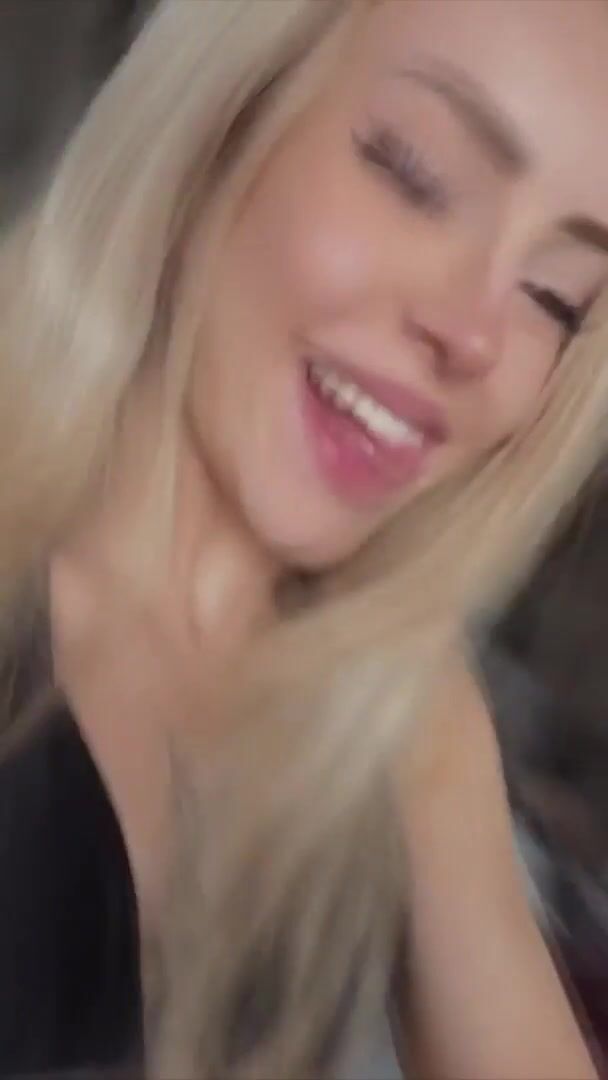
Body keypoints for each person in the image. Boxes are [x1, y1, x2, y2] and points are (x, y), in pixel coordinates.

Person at [1, 0, 608, 1076]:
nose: (473, 335)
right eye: (415, 174)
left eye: (553, 299)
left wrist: (432, 742)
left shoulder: (411, 729)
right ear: (226, 111)